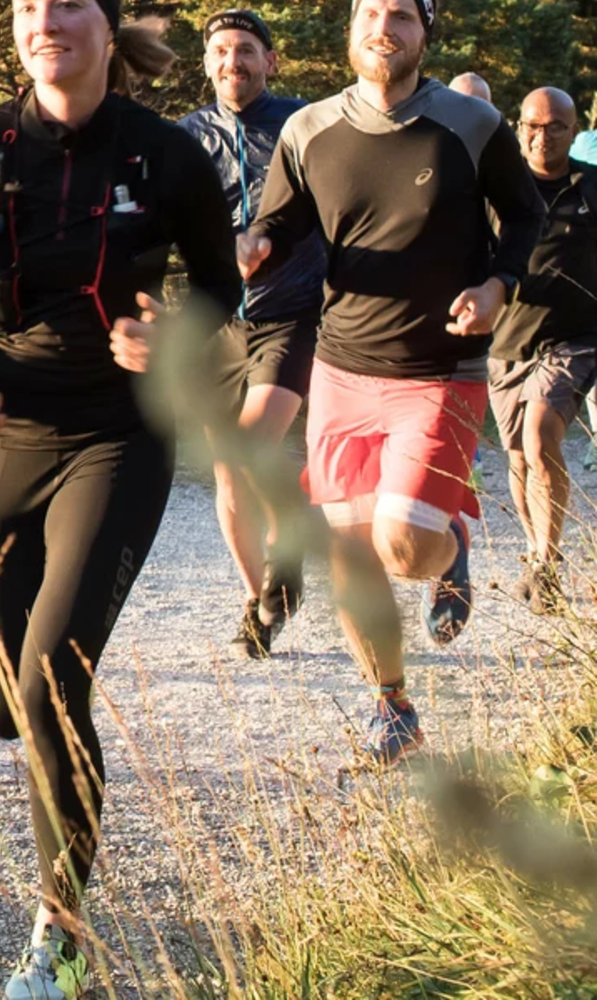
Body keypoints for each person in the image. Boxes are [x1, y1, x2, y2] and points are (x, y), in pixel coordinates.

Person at [0, 2, 240, 995]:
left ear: (104, 24)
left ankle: (58, 932)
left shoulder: (163, 153)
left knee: (54, 677)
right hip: (4, 430)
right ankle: (49, 768)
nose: (44, 19)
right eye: (27, 7)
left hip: (119, 431)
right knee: (2, 702)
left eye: (66, 4)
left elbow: (220, 289)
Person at [241, 0, 545, 766]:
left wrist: (498, 285)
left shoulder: (471, 126)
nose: (385, 25)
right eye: (371, 11)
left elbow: (525, 212)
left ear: (424, 32)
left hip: (439, 370)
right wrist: (256, 244)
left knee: (403, 547)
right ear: (351, 29)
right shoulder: (308, 130)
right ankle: (393, 705)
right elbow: (279, 221)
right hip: (341, 370)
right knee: (350, 553)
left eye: (402, 14)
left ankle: (451, 546)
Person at [179, 9, 327, 659]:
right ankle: (259, 604)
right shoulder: (185, 138)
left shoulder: (306, 125)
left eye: (244, 50)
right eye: (219, 51)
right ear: (206, 63)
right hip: (216, 321)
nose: (231, 61)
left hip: (291, 313)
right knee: (228, 474)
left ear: (271, 61)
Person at [490, 88, 597, 615]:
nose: (542, 135)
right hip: (507, 339)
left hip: (572, 339)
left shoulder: (590, 185)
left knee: (539, 438)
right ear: (518, 126)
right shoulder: (501, 188)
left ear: (574, 130)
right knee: (517, 456)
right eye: (533, 124)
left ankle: (549, 561)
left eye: (556, 126)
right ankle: (535, 554)